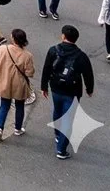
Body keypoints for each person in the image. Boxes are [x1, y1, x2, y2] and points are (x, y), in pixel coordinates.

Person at [40, 24, 95, 159]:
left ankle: (58, 135)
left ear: (63, 36)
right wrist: (89, 89)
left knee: (57, 111)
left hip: (56, 87)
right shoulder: (81, 56)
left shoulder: (54, 50)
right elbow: (88, 74)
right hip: (73, 91)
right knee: (68, 119)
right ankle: (61, 150)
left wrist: (43, 86)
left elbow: (46, 68)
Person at [0, 28, 35, 140]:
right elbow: (29, 73)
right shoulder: (27, 55)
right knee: (20, 106)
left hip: (4, 81)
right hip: (19, 84)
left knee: (4, 105)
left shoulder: (2, 49)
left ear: (13, 38)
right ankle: (18, 128)